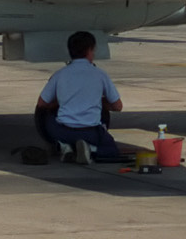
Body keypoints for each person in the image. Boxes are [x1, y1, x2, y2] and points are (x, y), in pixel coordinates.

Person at [37, 31, 124, 164]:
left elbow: (41, 104)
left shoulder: (60, 74)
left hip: (63, 131)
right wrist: (99, 101)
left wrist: (59, 101)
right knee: (112, 152)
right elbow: (118, 106)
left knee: (47, 117)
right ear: (89, 50)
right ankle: (91, 149)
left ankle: (63, 145)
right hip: (91, 133)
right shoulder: (100, 75)